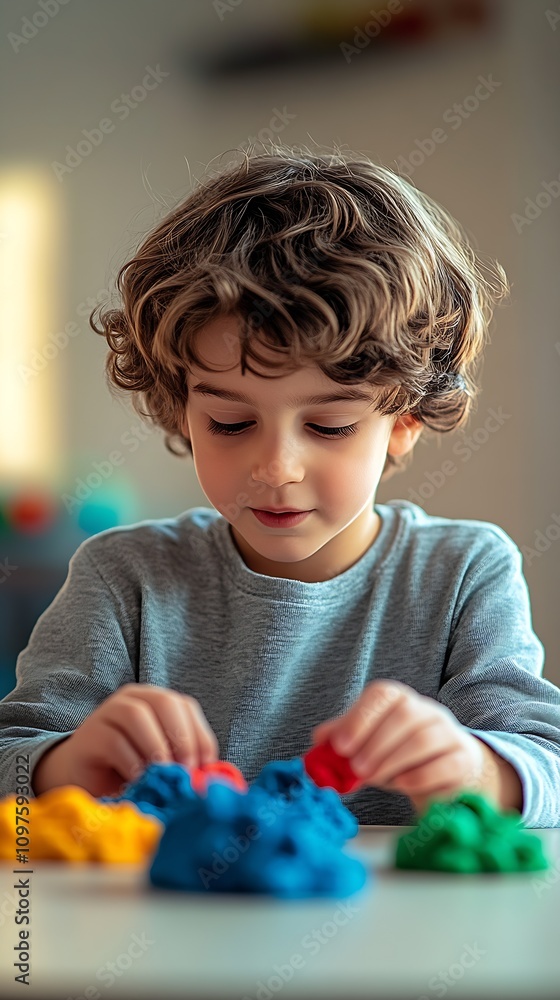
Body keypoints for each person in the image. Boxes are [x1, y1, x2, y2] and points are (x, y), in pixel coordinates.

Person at [1, 143, 559, 827]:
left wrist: (476, 770)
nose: (275, 468)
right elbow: (11, 760)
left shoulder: (464, 572)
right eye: (231, 423)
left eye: (328, 426)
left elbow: (546, 763)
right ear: (181, 408)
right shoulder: (123, 579)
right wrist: (65, 764)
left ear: (405, 422)